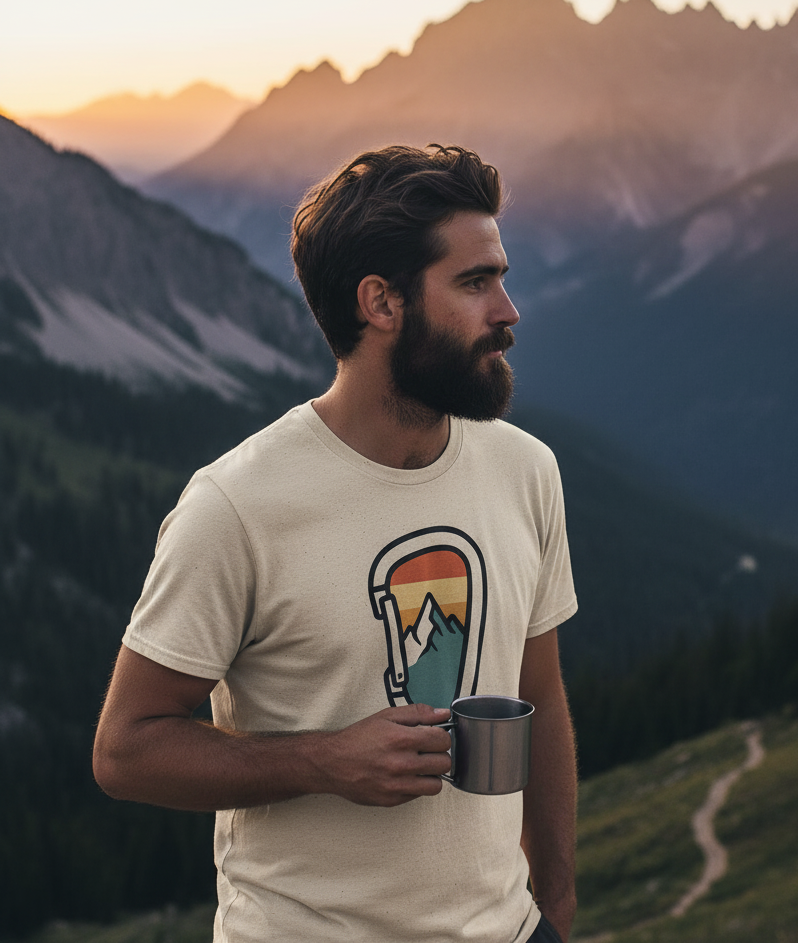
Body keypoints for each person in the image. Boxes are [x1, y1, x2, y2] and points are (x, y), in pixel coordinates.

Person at [93, 144, 578, 944]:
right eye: (474, 282)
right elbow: (126, 750)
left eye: (501, 275)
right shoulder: (236, 506)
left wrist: (552, 908)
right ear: (382, 303)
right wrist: (322, 761)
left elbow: (544, 696)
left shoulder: (526, 471)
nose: (508, 310)